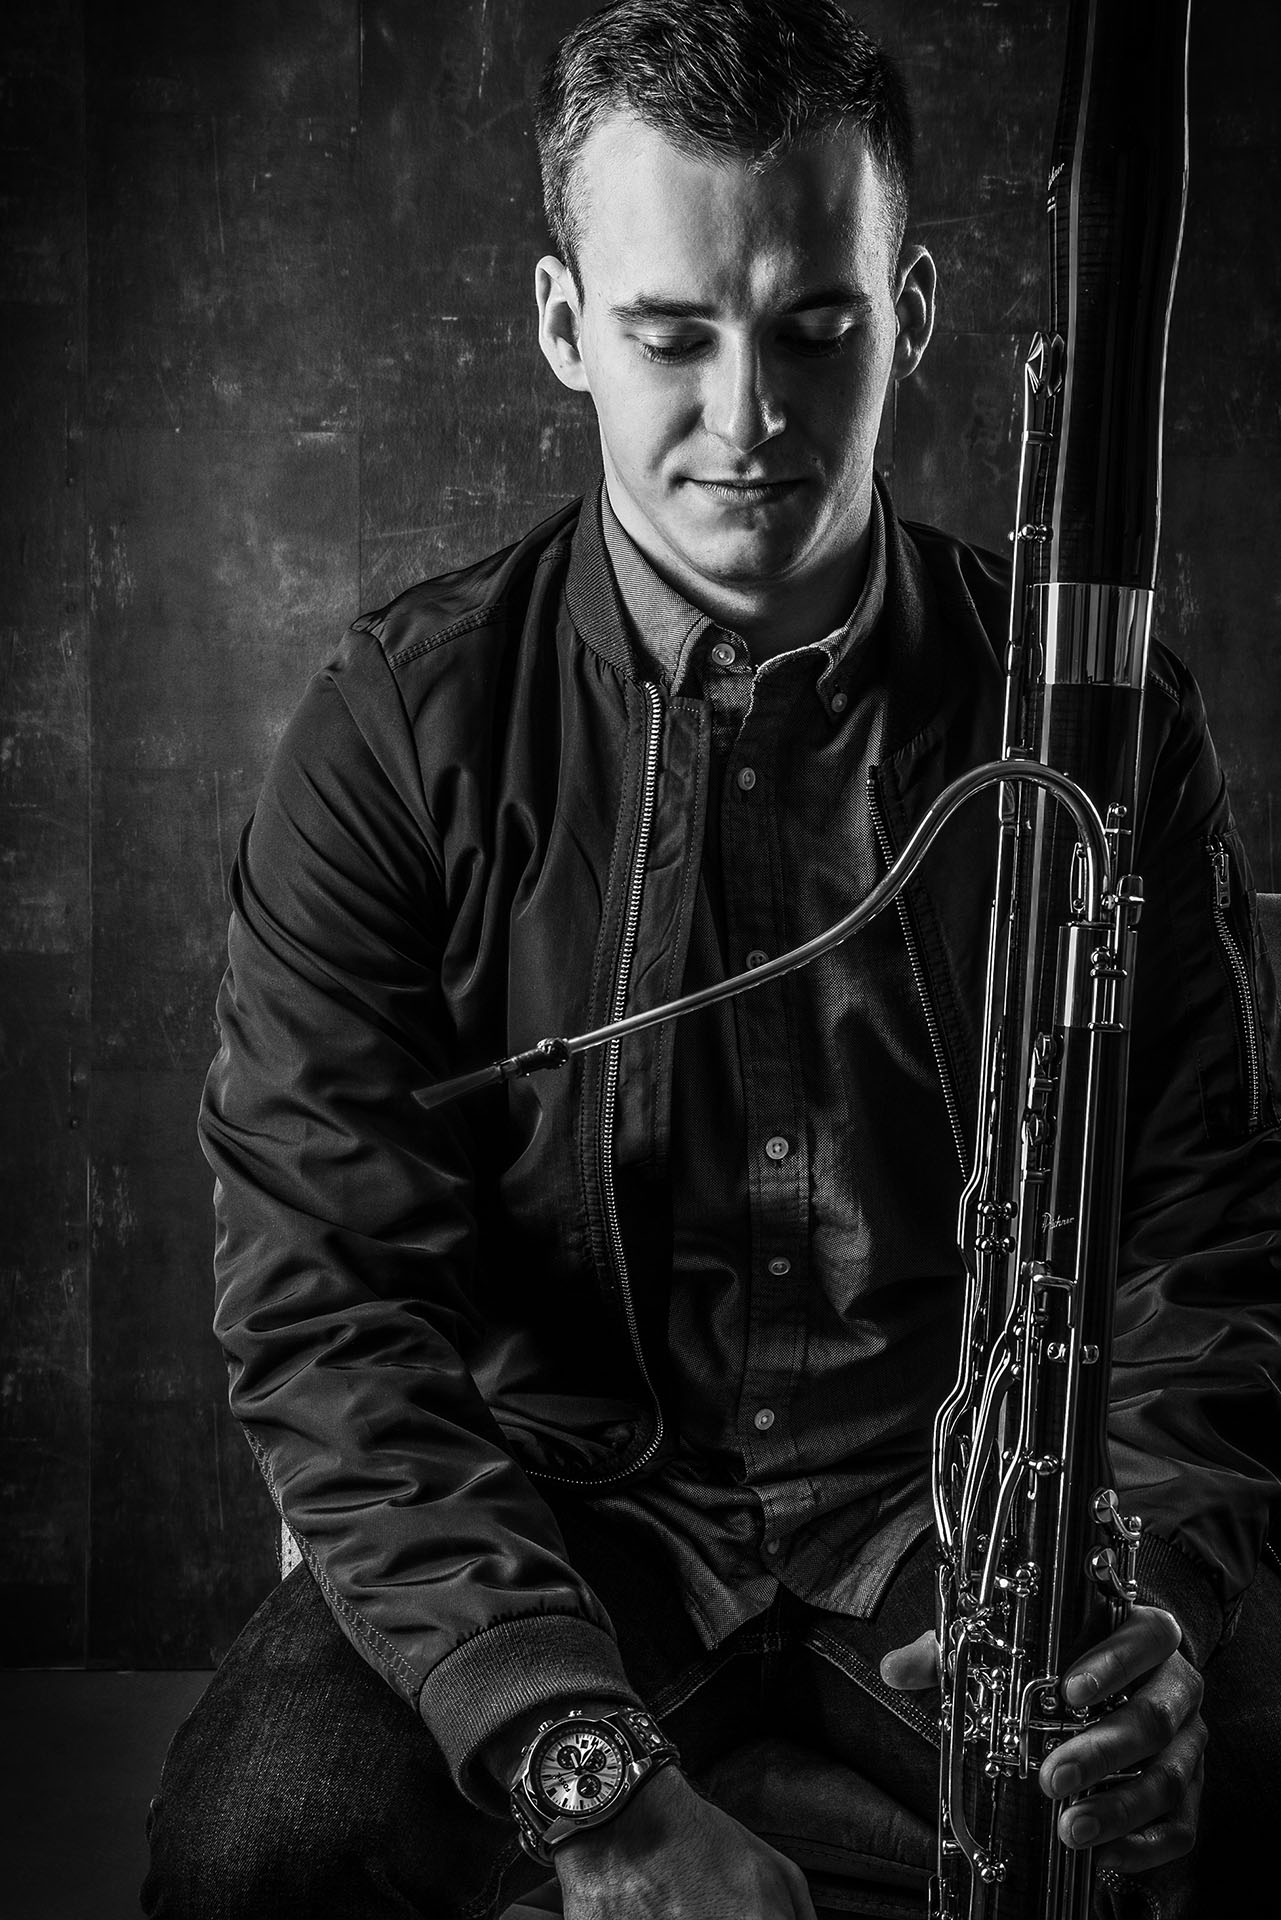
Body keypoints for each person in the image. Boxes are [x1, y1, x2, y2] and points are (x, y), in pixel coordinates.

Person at [144, 3, 1281, 1916]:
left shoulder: (1105, 723)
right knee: (259, 1853)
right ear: (562, 324)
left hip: (968, 1521)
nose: (747, 418)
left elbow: (1204, 1236)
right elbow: (329, 1311)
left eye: (812, 328)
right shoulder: (394, 731)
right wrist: (570, 1761)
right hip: (556, 1516)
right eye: (671, 335)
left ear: (910, 310)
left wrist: (1150, 1601)